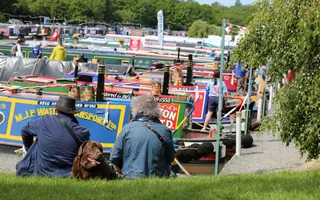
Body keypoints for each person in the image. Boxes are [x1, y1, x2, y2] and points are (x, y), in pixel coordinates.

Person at [16, 95, 90, 177]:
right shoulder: (83, 132)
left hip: (41, 171)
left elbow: (25, 131)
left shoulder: (45, 121)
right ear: (74, 113)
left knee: (38, 140)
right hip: (67, 174)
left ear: (56, 110)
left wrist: (28, 150)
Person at [110, 95, 175, 179]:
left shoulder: (128, 129)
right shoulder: (165, 130)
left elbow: (114, 157)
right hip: (157, 179)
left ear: (135, 109)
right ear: (157, 110)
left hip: (130, 178)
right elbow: (171, 158)